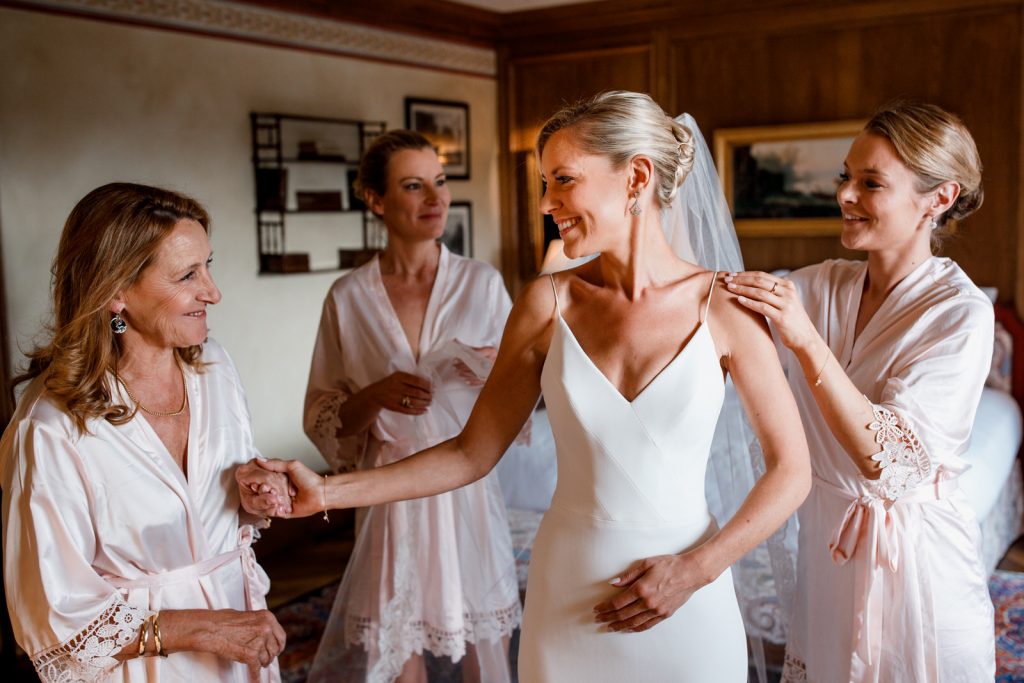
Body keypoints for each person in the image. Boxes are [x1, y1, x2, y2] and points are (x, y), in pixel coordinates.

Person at [247, 91, 811, 681]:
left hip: (690, 599)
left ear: (636, 177)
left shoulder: (725, 308)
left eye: (563, 180)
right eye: (546, 183)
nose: (547, 203)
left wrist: (697, 569)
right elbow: (472, 452)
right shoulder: (547, 303)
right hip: (568, 594)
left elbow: (790, 469)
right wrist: (327, 492)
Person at [727, 101, 995, 681]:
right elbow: (720, 305)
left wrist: (805, 342)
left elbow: (889, 459)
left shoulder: (960, 313)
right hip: (828, 551)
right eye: (845, 177)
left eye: (870, 182)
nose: (845, 194)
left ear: (939, 198)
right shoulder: (821, 285)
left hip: (919, 564)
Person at [1, 183, 287, 682]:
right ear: (115, 291)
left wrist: (256, 494)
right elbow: (53, 622)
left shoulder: (215, 368)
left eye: (208, 265)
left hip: (240, 643)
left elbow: (220, 507)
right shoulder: (49, 428)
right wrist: (201, 629)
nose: (213, 292)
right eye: (187, 275)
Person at [301, 130, 521, 682]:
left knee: (483, 639)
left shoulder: (482, 283)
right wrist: (374, 395)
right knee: (396, 645)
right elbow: (327, 419)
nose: (436, 198)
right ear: (375, 200)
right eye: (414, 185)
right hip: (389, 488)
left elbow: (524, 394)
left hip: (465, 484)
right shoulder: (348, 298)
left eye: (440, 183)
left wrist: (489, 368)